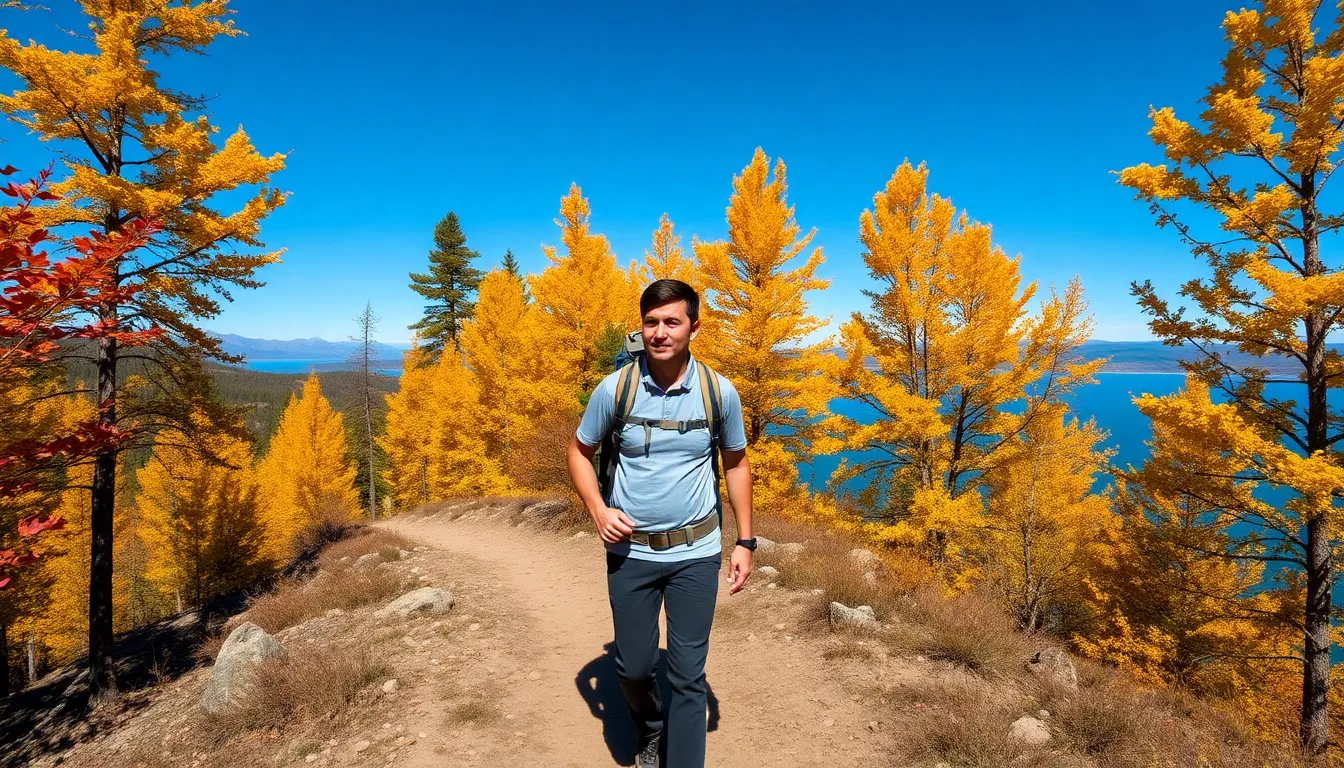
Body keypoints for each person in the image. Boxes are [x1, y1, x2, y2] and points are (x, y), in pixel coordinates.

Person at [567, 279, 756, 768]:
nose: (659, 332)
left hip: (696, 552)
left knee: (689, 677)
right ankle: (650, 727)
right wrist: (598, 510)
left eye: (672, 321)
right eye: (651, 322)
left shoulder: (719, 393)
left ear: (694, 327)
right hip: (631, 552)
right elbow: (579, 451)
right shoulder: (617, 388)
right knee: (631, 668)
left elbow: (735, 463)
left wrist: (745, 541)